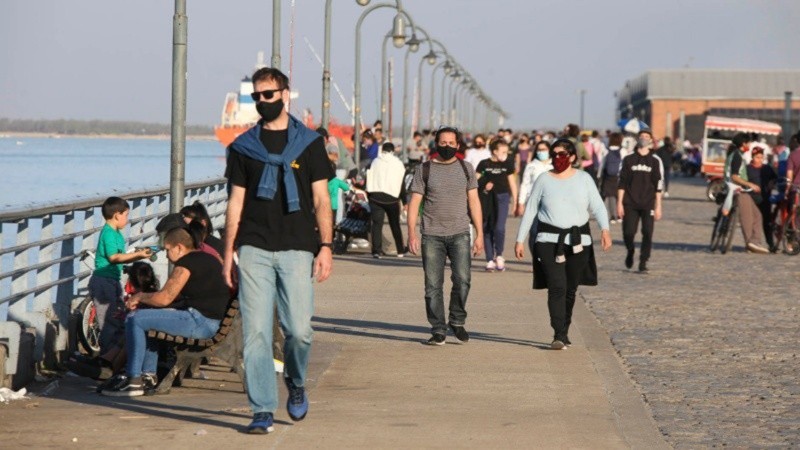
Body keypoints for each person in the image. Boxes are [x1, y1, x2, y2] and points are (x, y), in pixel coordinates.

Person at [223, 67, 333, 434]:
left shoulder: (310, 143)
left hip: (298, 246)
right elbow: (235, 204)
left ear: (286, 94)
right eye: (256, 96)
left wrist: (327, 246)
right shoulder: (242, 147)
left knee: (299, 330)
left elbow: (321, 200)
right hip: (253, 246)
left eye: (268, 94)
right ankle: (262, 409)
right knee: (255, 333)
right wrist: (228, 254)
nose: (261, 102)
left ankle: (297, 382)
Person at [100, 227, 229, 397]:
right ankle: (147, 376)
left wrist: (138, 296)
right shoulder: (208, 258)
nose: (166, 255)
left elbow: (164, 298)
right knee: (147, 318)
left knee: (135, 318)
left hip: (200, 322)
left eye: (168, 250)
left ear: (179, 247)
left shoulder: (185, 264)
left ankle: (134, 379)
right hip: (213, 322)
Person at [514, 139, 612, 349]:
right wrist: (520, 239)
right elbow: (531, 210)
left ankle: (564, 330)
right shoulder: (543, 179)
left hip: (578, 242)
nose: (558, 158)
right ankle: (558, 334)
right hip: (548, 241)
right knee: (557, 286)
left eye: (563, 154)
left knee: (570, 288)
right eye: (555, 154)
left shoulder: (584, 179)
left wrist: (605, 230)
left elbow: (598, 207)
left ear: (573, 157)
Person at [407, 126, 483, 346]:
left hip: (460, 233)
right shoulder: (424, 169)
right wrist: (411, 232)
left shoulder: (466, 168)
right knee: (433, 285)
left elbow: (474, 202)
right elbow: (415, 203)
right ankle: (438, 329)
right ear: (436, 144)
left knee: (463, 280)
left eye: (451, 143)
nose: (447, 146)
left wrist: (479, 233)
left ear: (458, 145)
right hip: (431, 235)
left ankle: (457, 321)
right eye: (443, 143)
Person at [88, 197, 153, 364]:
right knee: (109, 321)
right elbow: (114, 257)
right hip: (103, 281)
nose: (127, 218)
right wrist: (137, 255)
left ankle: (112, 358)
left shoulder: (116, 233)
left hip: (112, 280)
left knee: (116, 318)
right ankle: (105, 358)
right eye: (126, 215)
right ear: (117, 215)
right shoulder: (109, 233)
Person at [617, 130, 664, 272]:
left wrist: (658, 206)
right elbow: (622, 183)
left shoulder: (655, 161)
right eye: (641, 137)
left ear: (650, 140)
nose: (644, 139)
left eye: (647, 137)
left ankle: (643, 261)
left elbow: (659, 185)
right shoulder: (628, 159)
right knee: (628, 232)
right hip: (630, 202)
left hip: (648, 202)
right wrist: (619, 203)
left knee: (648, 232)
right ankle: (630, 250)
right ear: (637, 139)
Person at [476, 139, 518, 271]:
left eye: (507, 152)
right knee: (487, 227)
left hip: (502, 197)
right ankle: (489, 259)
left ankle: (499, 255)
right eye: (503, 152)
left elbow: (512, 183)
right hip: (487, 199)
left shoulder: (507, 165)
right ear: (495, 151)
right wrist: (484, 184)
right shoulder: (484, 164)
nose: (506, 154)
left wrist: (516, 201)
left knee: (499, 228)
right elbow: (474, 180)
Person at [724, 132, 769, 254]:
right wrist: (750, 184)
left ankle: (755, 241)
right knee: (747, 217)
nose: (749, 145)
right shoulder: (737, 156)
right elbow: (734, 176)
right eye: (748, 143)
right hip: (738, 189)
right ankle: (750, 242)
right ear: (743, 144)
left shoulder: (738, 155)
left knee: (758, 215)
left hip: (741, 189)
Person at [366, 142, 407, 258]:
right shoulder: (398, 163)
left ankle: (376, 251)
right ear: (393, 151)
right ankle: (400, 250)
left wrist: (369, 195)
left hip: (375, 197)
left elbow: (368, 177)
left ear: (382, 150)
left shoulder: (375, 161)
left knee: (377, 225)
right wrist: (404, 201)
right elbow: (401, 184)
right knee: (395, 224)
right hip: (392, 198)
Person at [747, 147, 777, 251]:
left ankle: (771, 244)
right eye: (757, 157)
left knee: (767, 222)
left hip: (765, 199)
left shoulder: (767, 168)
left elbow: (774, 178)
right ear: (752, 157)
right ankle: (751, 243)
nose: (759, 159)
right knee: (751, 222)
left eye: (761, 157)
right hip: (751, 199)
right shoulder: (747, 168)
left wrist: (772, 183)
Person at [598, 132, 624, 223]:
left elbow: (602, 164)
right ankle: (620, 215)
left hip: (608, 176)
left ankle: (612, 216)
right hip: (620, 176)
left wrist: (599, 175)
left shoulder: (606, 150)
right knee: (619, 196)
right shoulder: (622, 151)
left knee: (610, 197)